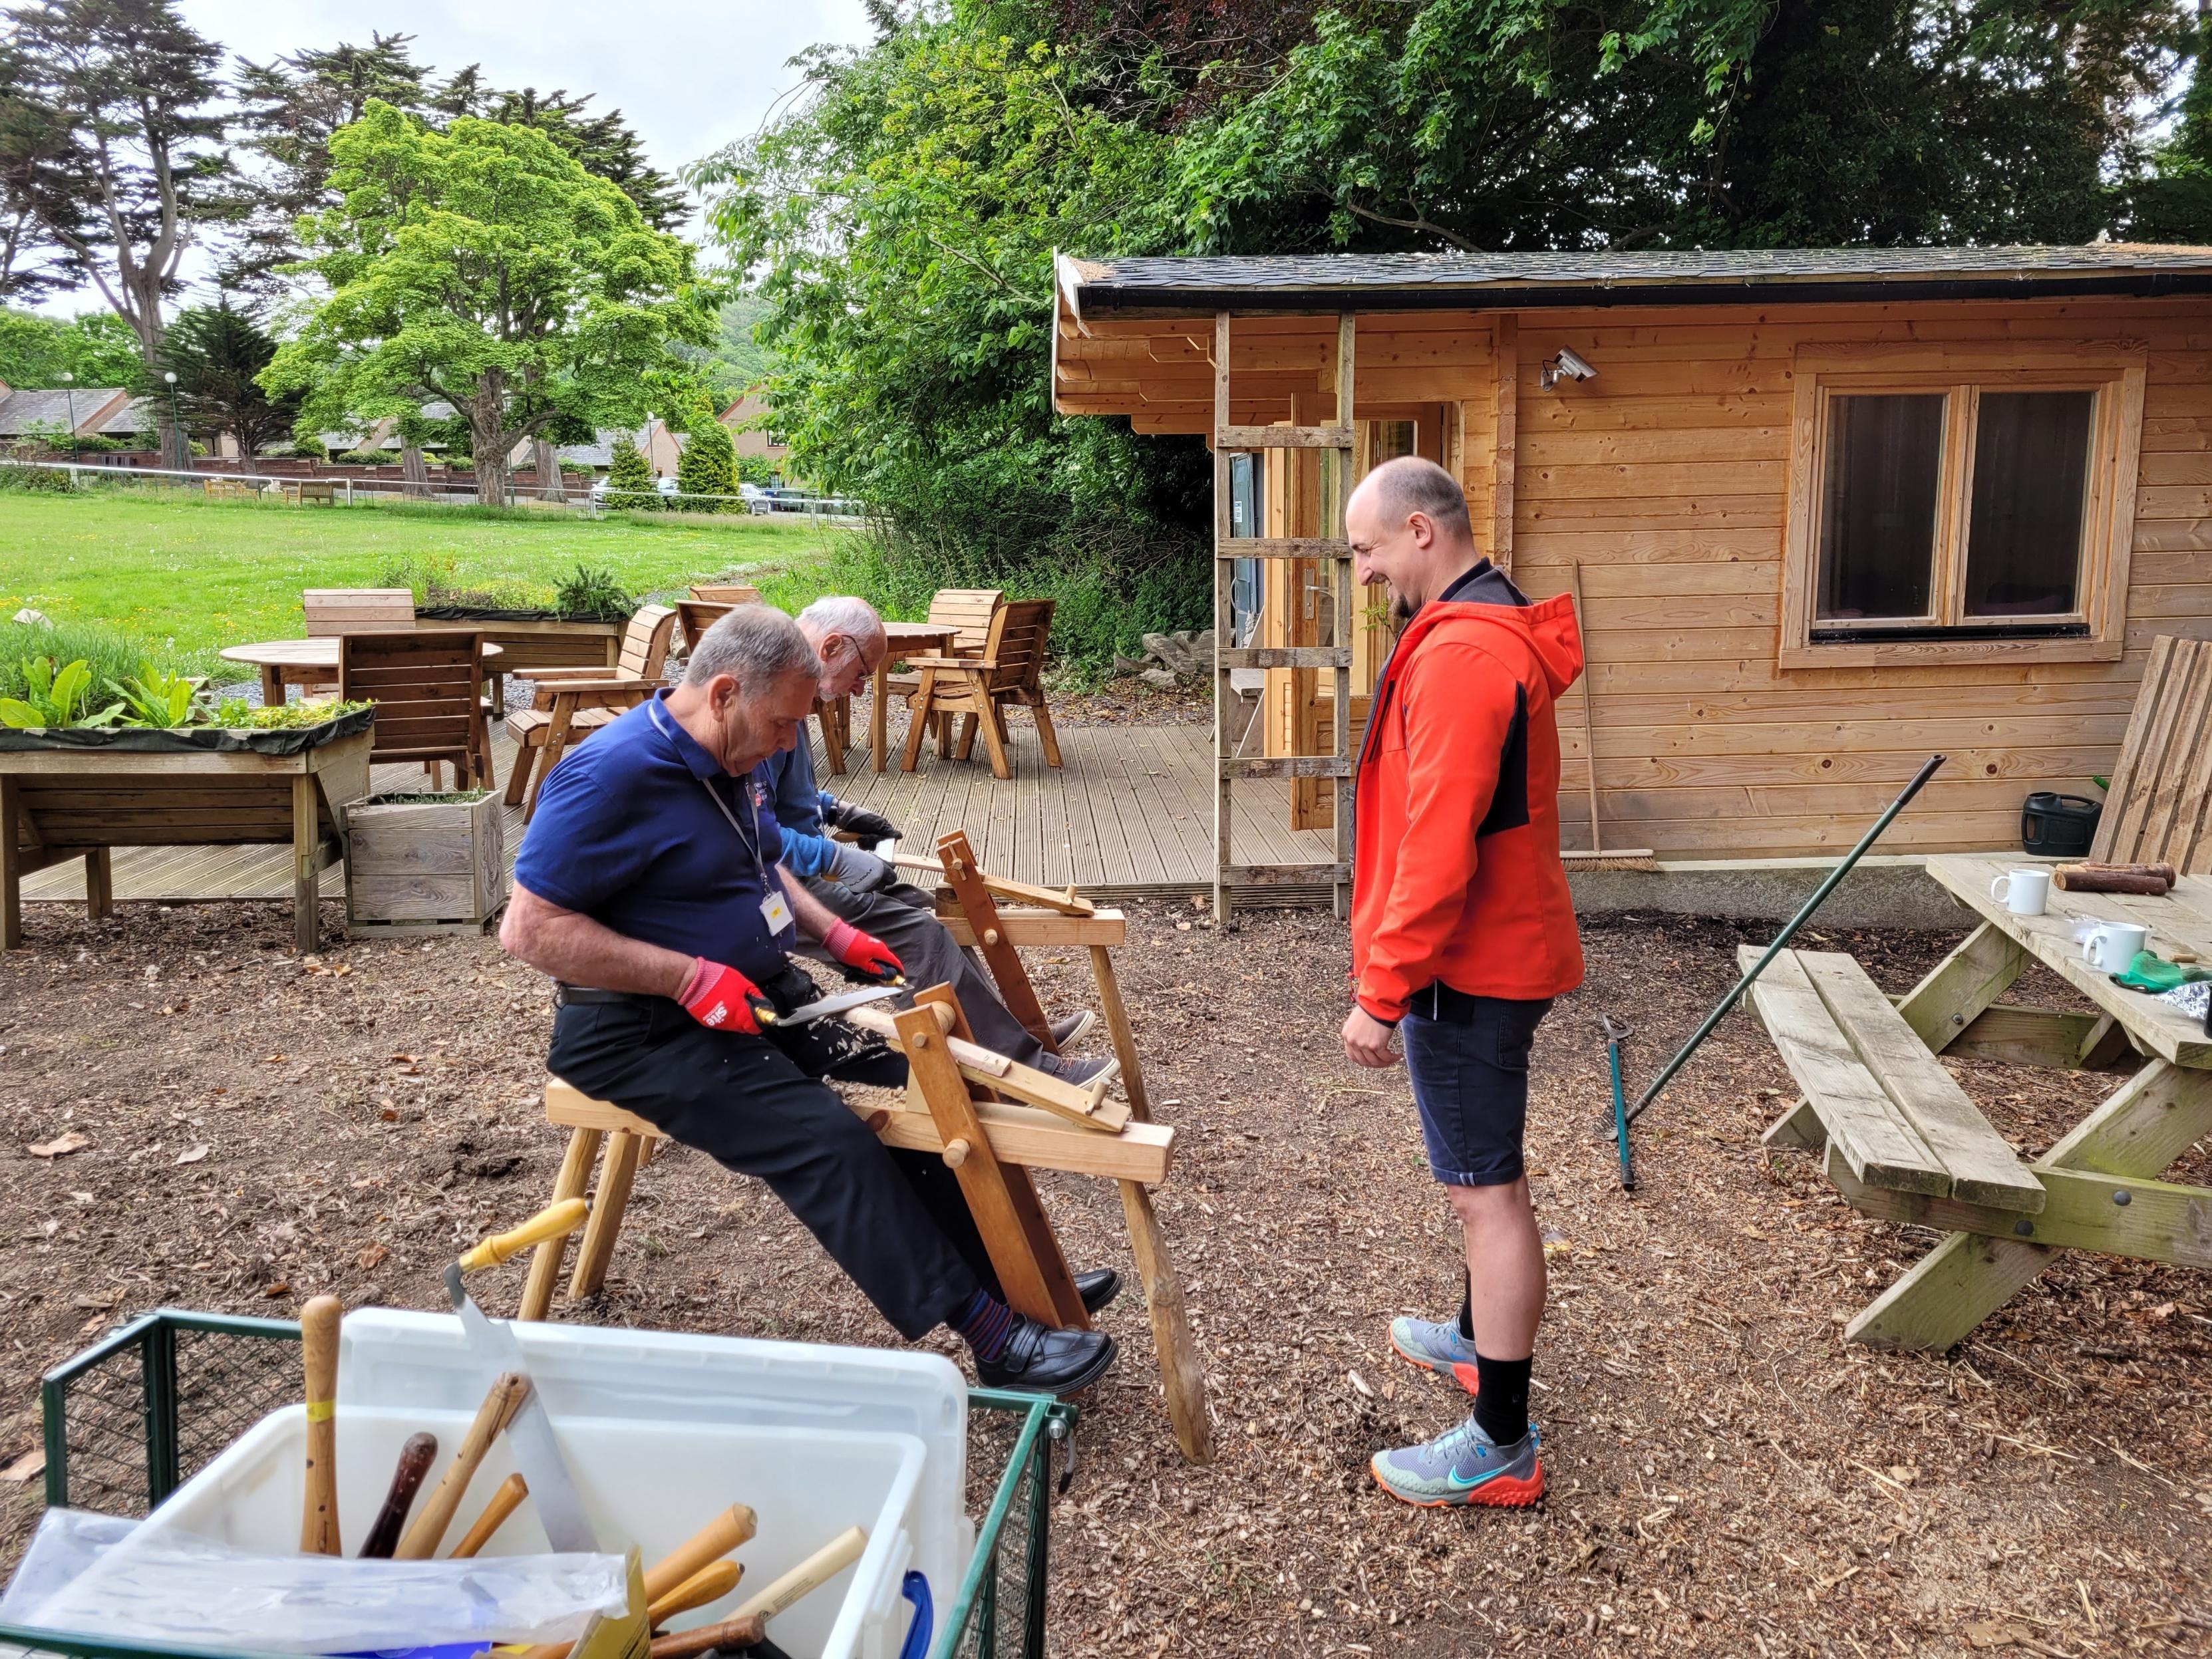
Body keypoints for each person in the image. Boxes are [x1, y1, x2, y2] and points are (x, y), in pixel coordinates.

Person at [500, 604, 1117, 1396]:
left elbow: (765, 861)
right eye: (784, 723)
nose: (791, 743)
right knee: (829, 1141)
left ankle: (1018, 1281)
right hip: (639, 1031)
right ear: (723, 693)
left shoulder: (734, 754)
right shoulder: (606, 776)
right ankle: (996, 1340)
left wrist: (831, 934)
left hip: (753, 995)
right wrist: (684, 977)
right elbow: (530, 929)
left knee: (931, 1086)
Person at [1339, 455, 1585, 1507]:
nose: (1361, 573)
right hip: (1484, 954)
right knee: (1485, 1183)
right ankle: (1476, 1334)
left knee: (1486, 1196)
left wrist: (1381, 988)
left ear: (1423, 533)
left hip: (1466, 967)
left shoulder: (1462, 657)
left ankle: (1500, 1440)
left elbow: (1439, 845)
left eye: (1367, 549)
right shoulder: (1483, 628)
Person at [766, 595, 1112, 1088]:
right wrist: (832, 856)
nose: (862, 690)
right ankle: (1021, 1075)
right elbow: (749, 834)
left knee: (935, 914)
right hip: (769, 888)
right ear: (831, 647)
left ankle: (999, 1041)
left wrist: (834, 811)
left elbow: (784, 791)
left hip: (796, 870)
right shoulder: (769, 700)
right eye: (862, 672)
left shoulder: (792, 692)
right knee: (916, 941)